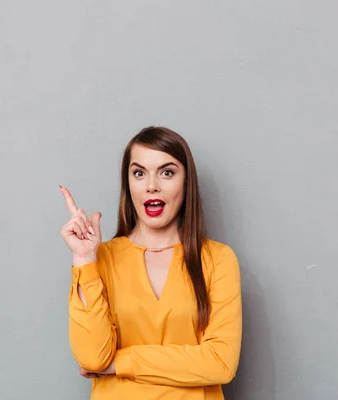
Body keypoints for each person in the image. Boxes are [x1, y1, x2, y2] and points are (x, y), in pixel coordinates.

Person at [59, 126, 242, 399]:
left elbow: (220, 363)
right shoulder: (100, 258)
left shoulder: (218, 259)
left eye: (167, 172)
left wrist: (119, 363)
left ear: (186, 182)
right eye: (139, 173)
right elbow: (92, 358)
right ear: (128, 184)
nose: (151, 185)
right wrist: (84, 258)